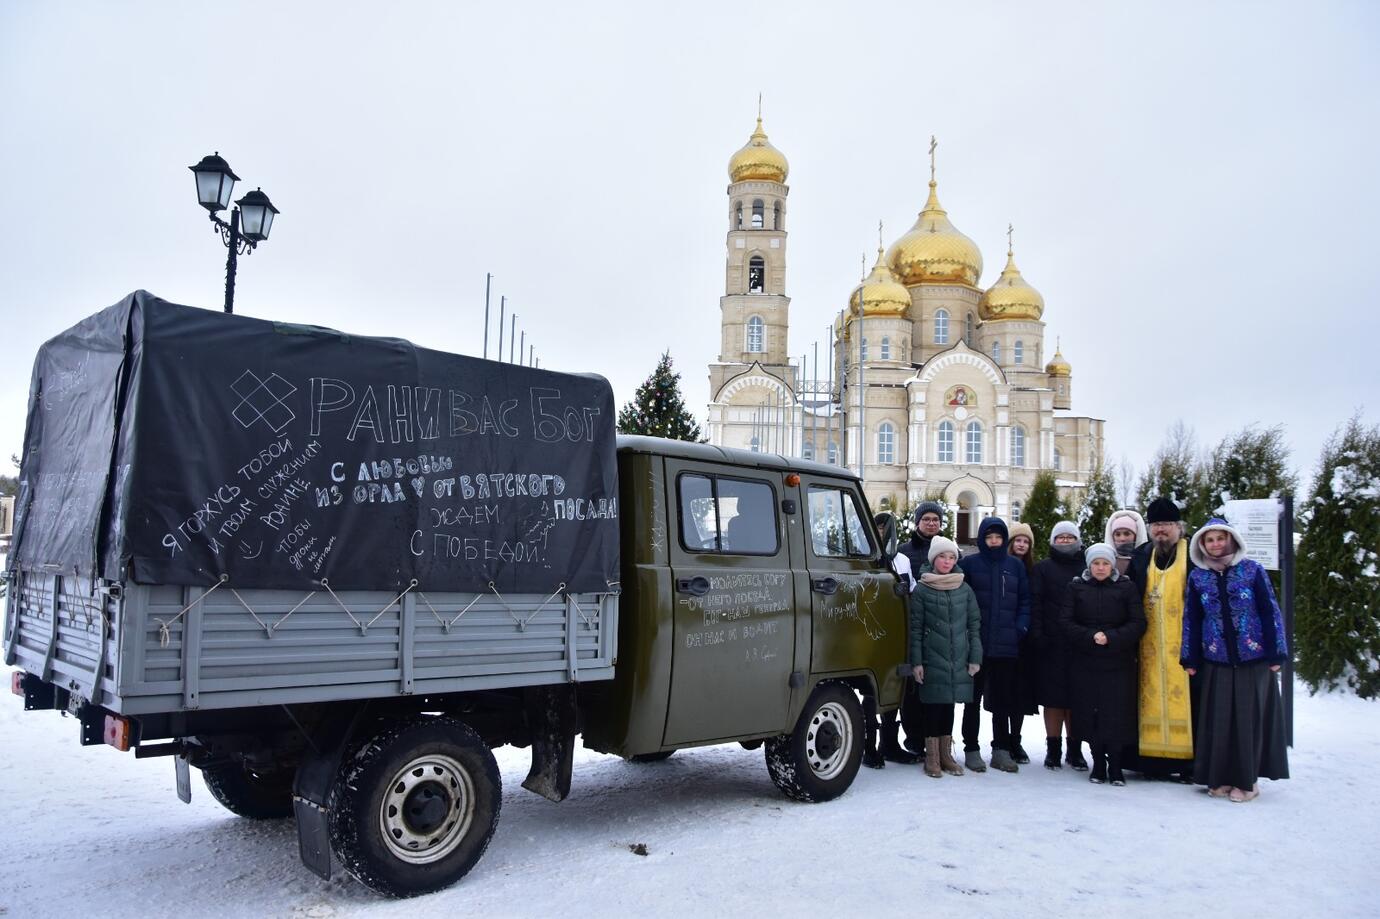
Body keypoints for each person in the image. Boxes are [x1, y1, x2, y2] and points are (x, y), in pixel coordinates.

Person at [1181, 517, 1289, 803]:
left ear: (1231, 540)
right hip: (1216, 657)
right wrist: (1189, 656)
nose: (1216, 544)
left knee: (1247, 720)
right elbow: (1192, 617)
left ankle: (1248, 781)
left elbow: (1270, 611)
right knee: (1219, 721)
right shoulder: (1198, 576)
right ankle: (1220, 779)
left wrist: (1277, 651)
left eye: (1220, 538)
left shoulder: (1251, 570)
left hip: (1251, 657)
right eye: (1210, 539)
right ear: (1201, 544)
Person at [1059, 542, 1146, 786]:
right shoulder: (1077, 587)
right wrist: (1089, 637)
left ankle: (1116, 765)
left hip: (1118, 661)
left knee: (1116, 713)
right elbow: (1065, 621)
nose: (1100, 568)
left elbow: (1138, 622)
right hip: (1085, 660)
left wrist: (1112, 637)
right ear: (1089, 565)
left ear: (1112, 565)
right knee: (1090, 712)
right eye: (1096, 563)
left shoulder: (1126, 587)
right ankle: (1098, 762)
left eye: (1105, 563)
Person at [1125, 497, 1198, 780]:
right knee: (1148, 700)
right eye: (1155, 525)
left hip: (1185, 644)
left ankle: (1189, 764)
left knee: (1189, 702)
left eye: (1166, 525)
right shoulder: (1142, 555)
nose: (1161, 531)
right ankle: (1151, 763)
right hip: (1149, 645)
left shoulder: (1193, 553)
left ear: (1179, 527)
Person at [958, 517, 1030, 773]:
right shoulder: (969, 564)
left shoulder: (1014, 566)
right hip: (977, 644)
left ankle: (1000, 749)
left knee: (1002, 700)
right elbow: (960, 598)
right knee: (972, 700)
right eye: (989, 537)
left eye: (998, 537)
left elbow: (1024, 601)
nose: (994, 541)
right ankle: (971, 748)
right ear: (982, 539)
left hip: (1006, 645)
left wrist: (1020, 627)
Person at [909, 536, 983, 778]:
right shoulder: (922, 588)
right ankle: (931, 757)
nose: (947, 561)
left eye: (951, 557)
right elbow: (916, 627)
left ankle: (946, 755)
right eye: (942, 556)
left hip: (958, 657)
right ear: (933, 559)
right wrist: (917, 662)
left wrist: (975, 657)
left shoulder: (964, 587)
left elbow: (974, 624)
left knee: (949, 705)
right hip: (932, 657)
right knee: (932, 706)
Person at [879, 500, 947, 764]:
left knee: (933, 687)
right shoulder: (904, 552)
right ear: (917, 522)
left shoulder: (947, 551)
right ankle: (911, 740)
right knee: (908, 689)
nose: (931, 523)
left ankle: (933, 741)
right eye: (926, 519)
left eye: (935, 519)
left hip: (936, 628)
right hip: (905, 629)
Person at [1029, 520, 1089, 770]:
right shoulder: (1043, 568)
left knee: (1076, 698)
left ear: (1077, 540)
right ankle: (1053, 748)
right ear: (1053, 541)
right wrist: (1038, 634)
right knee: (1053, 699)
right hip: (1052, 642)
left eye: (1069, 537)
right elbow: (1036, 602)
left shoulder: (1087, 566)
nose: (1065, 540)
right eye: (1060, 537)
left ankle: (1074, 749)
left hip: (1081, 643)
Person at [863, 511, 917, 769]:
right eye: (878, 528)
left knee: (892, 686)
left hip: (897, 632)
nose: (882, 533)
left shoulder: (903, 560)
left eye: (885, 529)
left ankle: (889, 744)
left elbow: (911, 593)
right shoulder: (862, 555)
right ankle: (868, 746)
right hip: (869, 632)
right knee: (871, 691)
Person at [1006, 522, 1040, 764]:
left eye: (1025, 541)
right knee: (1002, 694)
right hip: (1003, 639)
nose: (1021, 544)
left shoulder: (1033, 571)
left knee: (1019, 695)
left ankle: (1015, 740)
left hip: (1025, 640)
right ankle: (1002, 741)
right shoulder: (1004, 566)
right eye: (1018, 540)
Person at [1105, 509, 1148, 577]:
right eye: (1117, 534)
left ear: (1136, 535)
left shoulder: (1147, 560)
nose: (1122, 539)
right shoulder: (1104, 562)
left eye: (1127, 534)